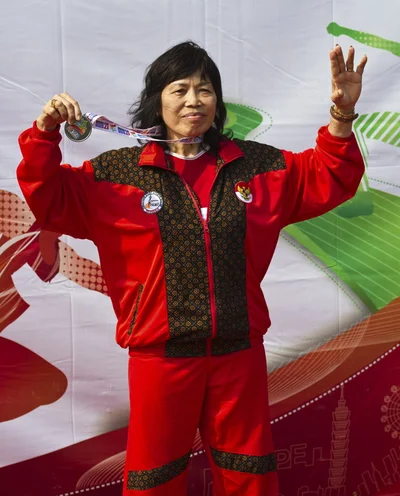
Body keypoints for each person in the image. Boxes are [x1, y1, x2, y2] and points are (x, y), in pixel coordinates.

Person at [16, 41, 367, 496]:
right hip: (160, 359)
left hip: (238, 353)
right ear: (157, 100)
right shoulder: (118, 174)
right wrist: (44, 134)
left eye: (204, 90)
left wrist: (341, 113)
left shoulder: (254, 166)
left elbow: (328, 175)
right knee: (154, 479)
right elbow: (49, 197)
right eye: (179, 89)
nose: (192, 101)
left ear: (217, 102)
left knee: (250, 474)